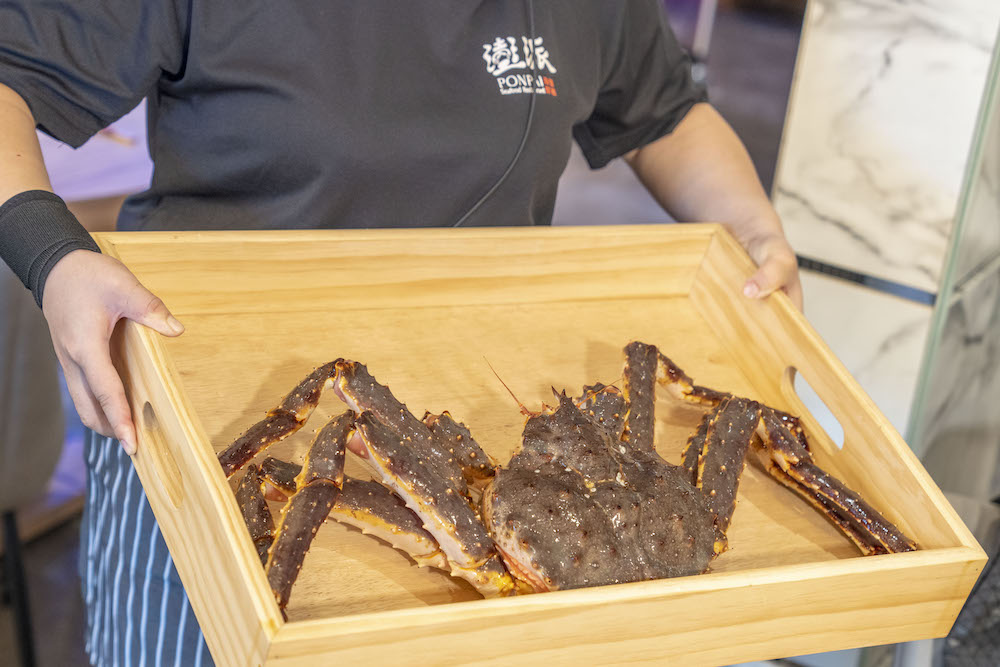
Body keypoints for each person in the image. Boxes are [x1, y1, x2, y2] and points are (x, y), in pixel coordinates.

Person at [0, 1, 802, 664]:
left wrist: (754, 228)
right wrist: (52, 255)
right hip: (206, 413)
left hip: (480, 449)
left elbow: (663, 111)